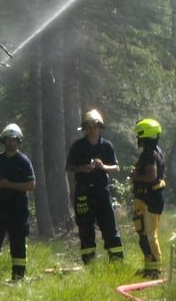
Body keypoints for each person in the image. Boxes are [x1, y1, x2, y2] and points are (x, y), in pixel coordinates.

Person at [65, 108, 124, 265]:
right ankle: (90, 264)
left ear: (99, 127)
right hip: (83, 193)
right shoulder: (78, 146)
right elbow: (68, 167)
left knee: (109, 227)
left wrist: (103, 167)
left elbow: (117, 168)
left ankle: (117, 262)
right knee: (85, 229)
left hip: (101, 192)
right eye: (89, 127)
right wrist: (81, 168)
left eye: (95, 127)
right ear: (85, 129)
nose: (92, 130)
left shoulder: (107, 146)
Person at [0, 123, 36, 281]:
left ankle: (18, 278)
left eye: (13, 140)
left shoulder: (23, 161)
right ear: (3, 141)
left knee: (18, 243)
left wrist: (9, 184)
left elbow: (31, 185)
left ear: (18, 141)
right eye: (8, 140)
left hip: (18, 209)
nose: (10, 143)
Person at [129, 118, 166, 278]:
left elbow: (152, 176)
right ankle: (149, 267)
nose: (138, 138)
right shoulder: (157, 151)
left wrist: (135, 176)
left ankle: (155, 270)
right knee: (144, 232)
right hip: (150, 199)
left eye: (139, 135)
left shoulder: (149, 154)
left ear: (146, 135)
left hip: (149, 199)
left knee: (149, 235)